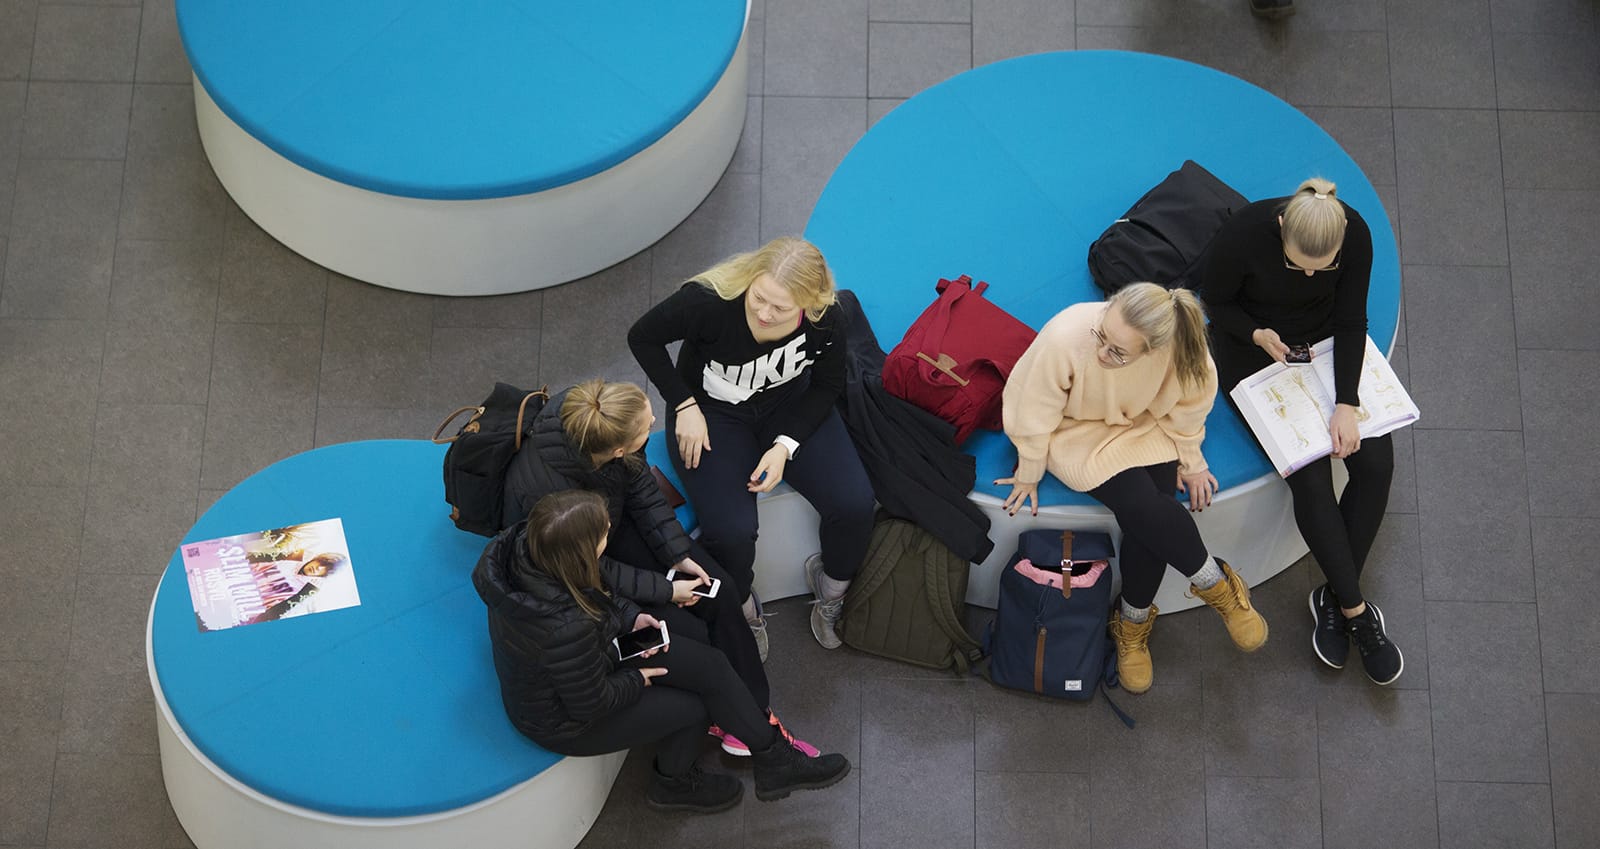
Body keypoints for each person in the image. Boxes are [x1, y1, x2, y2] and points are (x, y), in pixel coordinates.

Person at [473, 490, 851, 812]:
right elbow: (589, 703)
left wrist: (632, 615)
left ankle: (774, 759)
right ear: (580, 554)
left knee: (710, 664)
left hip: (593, 653)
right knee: (695, 706)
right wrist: (637, 679)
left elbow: (592, 591)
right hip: (567, 717)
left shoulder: (536, 547)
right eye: (602, 537)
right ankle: (673, 785)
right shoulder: (563, 628)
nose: (609, 538)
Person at [501, 378, 816, 757]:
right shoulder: (551, 504)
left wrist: (678, 553)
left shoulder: (597, 416)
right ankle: (739, 717)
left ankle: (752, 709)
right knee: (691, 621)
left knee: (720, 588)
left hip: (605, 525)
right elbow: (590, 574)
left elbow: (640, 485)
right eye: (647, 427)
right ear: (617, 448)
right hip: (588, 552)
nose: (654, 422)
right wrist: (666, 590)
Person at [998, 283, 1268, 694]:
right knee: (1143, 505)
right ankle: (1217, 586)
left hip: (1143, 423)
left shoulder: (1181, 349)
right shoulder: (1067, 334)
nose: (1102, 353)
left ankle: (1133, 621)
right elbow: (1032, 405)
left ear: (1154, 349)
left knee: (1149, 515)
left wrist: (1191, 461)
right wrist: (1030, 468)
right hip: (1075, 433)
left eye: (1118, 352)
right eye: (1102, 336)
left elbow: (1190, 405)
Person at [627, 237, 875, 652]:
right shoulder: (708, 301)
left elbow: (828, 384)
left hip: (789, 403)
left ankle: (832, 589)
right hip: (711, 415)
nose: (763, 313)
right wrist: (683, 404)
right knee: (732, 531)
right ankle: (741, 608)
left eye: (779, 309)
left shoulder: (826, 317)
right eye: (759, 298)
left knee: (854, 503)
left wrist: (784, 447)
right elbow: (643, 337)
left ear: (808, 304)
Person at [1202, 177, 1403, 686]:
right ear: (1282, 226)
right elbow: (1216, 304)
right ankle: (1356, 613)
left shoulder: (1353, 232)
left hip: (1325, 344)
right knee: (1309, 477)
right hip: (1254, 349)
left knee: (1376, 462)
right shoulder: (1243, 235)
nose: (1312, 272)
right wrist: (1255, 333)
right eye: (1299, 264)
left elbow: (1352, 317)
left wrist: (1346, 403)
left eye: (1323, 266)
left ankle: (1332, 598)